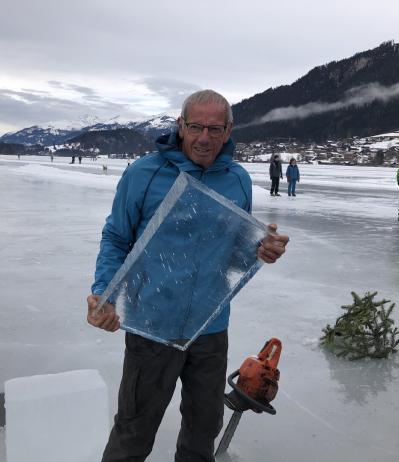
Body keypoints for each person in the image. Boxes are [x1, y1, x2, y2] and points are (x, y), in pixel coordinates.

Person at [86, 90, 289, 462]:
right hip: (153, 324)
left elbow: (234, 254)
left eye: (215, 128)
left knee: (202, 431)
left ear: (228, 131)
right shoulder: (144, 174)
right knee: (134, 429)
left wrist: (260, 251)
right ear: (180, 126)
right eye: (195, 126)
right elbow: (116, 238)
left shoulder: (238, 180)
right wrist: (105, 292)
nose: (204, 138)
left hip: (209, 328)